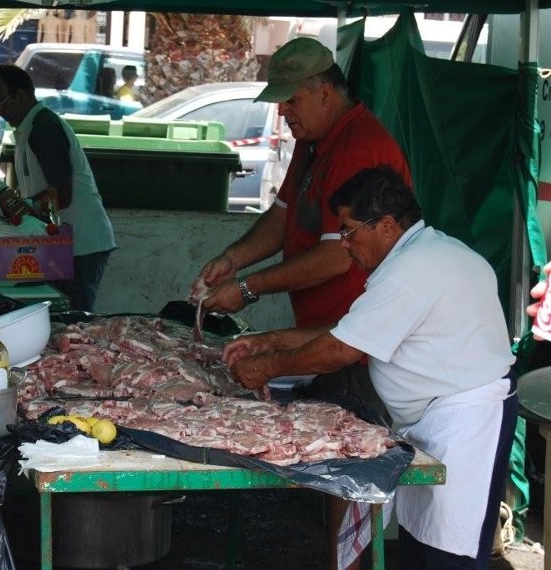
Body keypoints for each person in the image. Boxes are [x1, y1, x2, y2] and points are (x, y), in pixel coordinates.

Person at [223, 165, 518, 569]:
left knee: (450, 555)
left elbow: (340, 350)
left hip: (466, 424)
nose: (344, 244)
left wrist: (267, 367)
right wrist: (269, 341)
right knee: (420, 545)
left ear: (386, 226)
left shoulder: (412, 270)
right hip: (434, 420)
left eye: (348, 231)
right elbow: (354, 331)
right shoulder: (422, 255)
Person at [191, 36, 411, 569]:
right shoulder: (315, 143)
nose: (283, 111)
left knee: (349, 468)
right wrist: (234, 258)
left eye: (291, 100)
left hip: (357, 334)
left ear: (325, 91)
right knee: (331, 460)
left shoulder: (360, 145)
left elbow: (339, 257)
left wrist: (246, 289)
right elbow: (283, 216)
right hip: (319, 328)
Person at [0, 64, 116, 312]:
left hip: (81, 244)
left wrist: (16, 209)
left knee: (73, 320)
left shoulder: (44, 128)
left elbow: (62, 195)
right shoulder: (26, 130)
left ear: (21, 95)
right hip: (59, 244)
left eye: (1, 103)